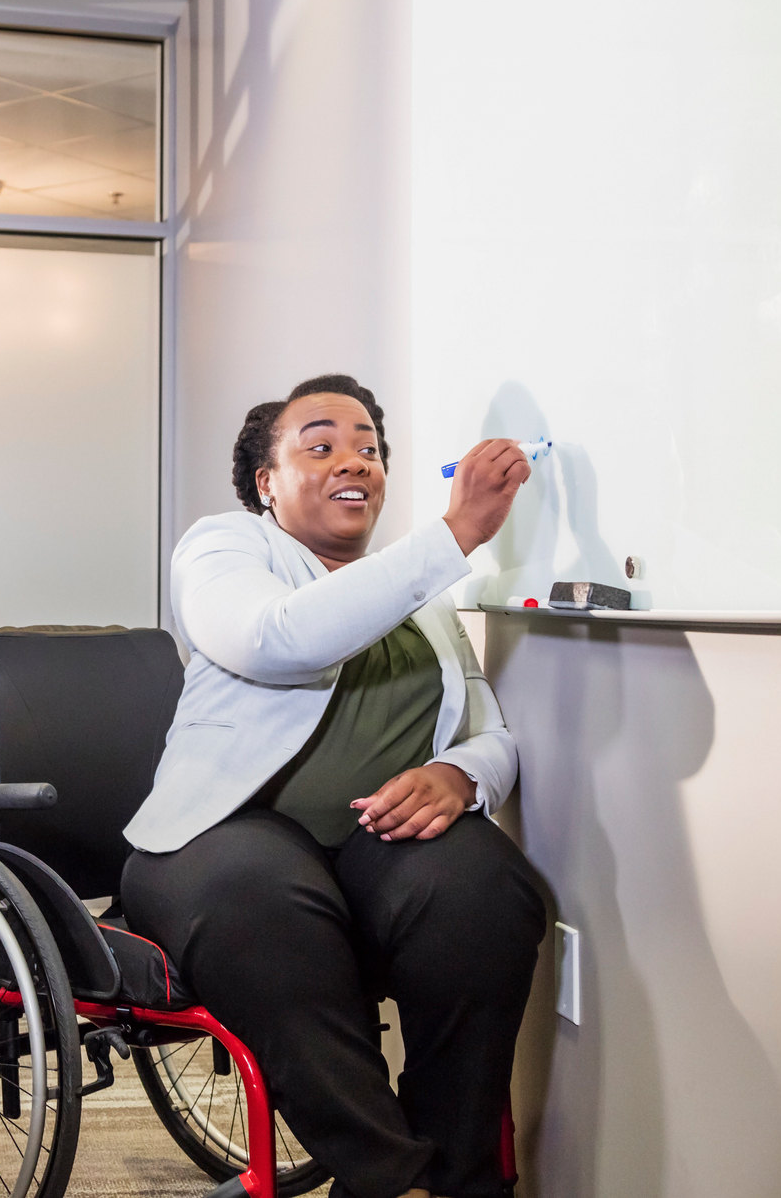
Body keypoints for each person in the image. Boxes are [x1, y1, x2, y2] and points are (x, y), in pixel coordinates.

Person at [120, 374, 546, 1198]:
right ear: (266, 484)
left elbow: (490, 731)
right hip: (220, 834)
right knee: (264, 905)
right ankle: (392, 1181)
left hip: (367, 843)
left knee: (486, 894)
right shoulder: (224, 549)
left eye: (369, 448)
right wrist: (455, 533)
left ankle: (462, 1180)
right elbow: (277, 640)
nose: (354, 461)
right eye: (320, 445)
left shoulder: (420, 598)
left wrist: (458, 774)